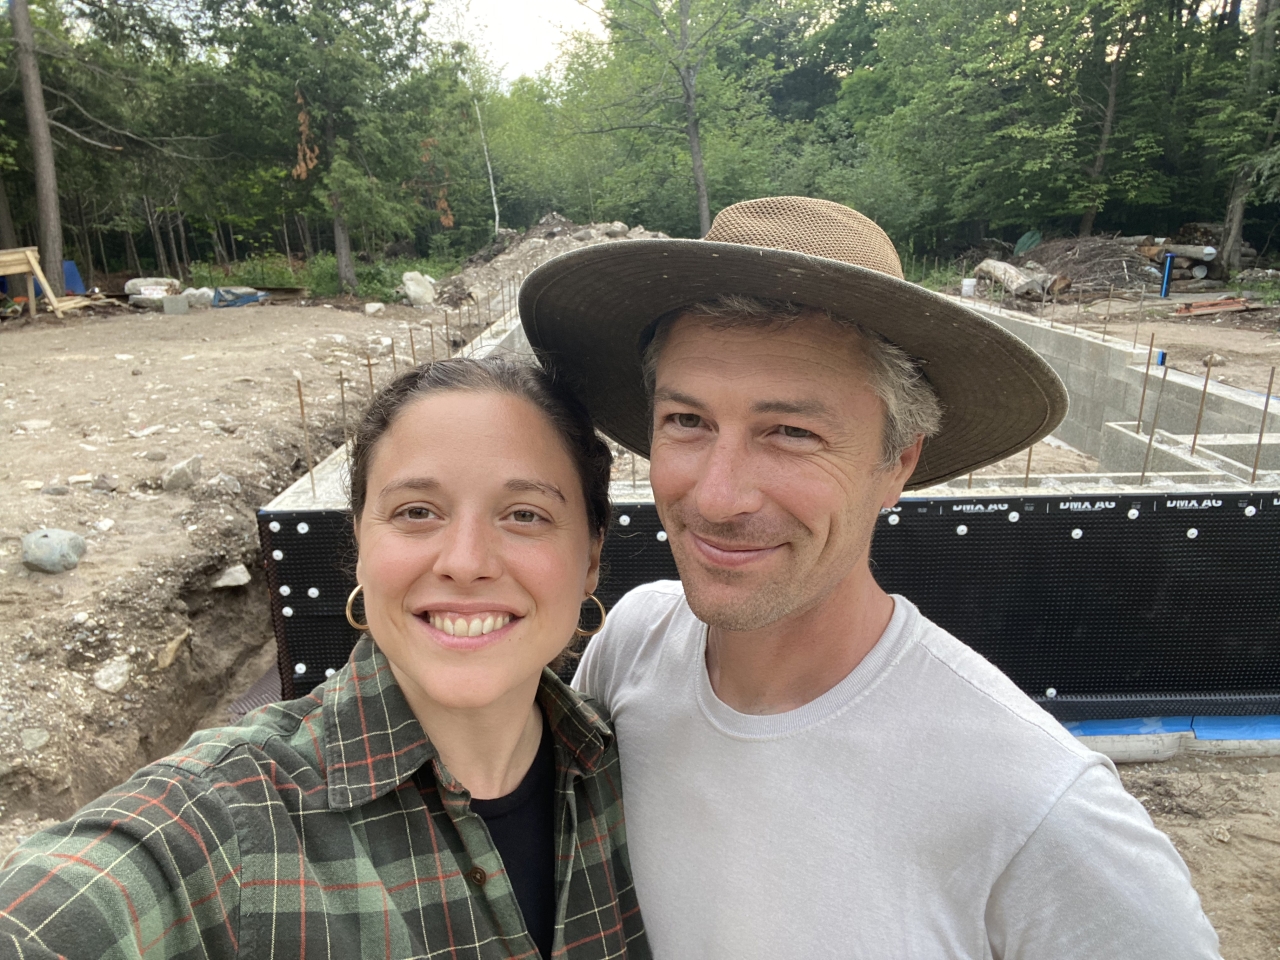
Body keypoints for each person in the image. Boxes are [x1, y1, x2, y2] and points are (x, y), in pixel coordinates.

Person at [520, 196, 1221, 959]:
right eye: (687, 421)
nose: (717, 497)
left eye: (791, 433)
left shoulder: (1038, 810)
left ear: (900, 461)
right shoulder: (631, 648)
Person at [0, 357, 650, 960]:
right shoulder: (231, 822)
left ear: (591, 557)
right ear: (361, 544)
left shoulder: (635, 773)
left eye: (525, 514)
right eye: (417, 511)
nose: (465, 561)